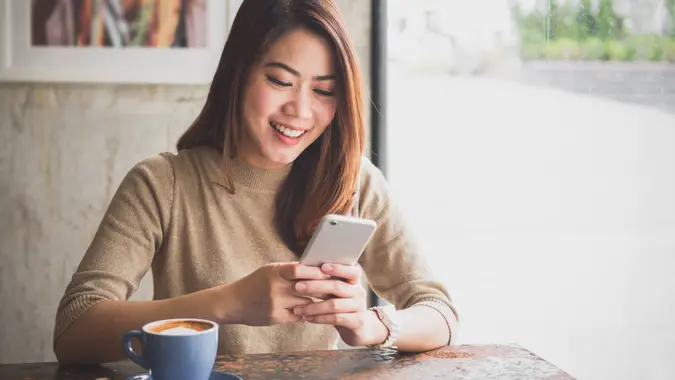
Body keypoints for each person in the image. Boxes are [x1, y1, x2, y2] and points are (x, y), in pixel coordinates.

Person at [53, 0, 458, 364]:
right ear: (238, 74)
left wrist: (372, 325)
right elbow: (75, 329)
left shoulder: (354, 181)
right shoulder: (163, 183)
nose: (300, 110)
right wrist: (229, 303)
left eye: (324, 90)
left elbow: (439, 312)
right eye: (281, 81)